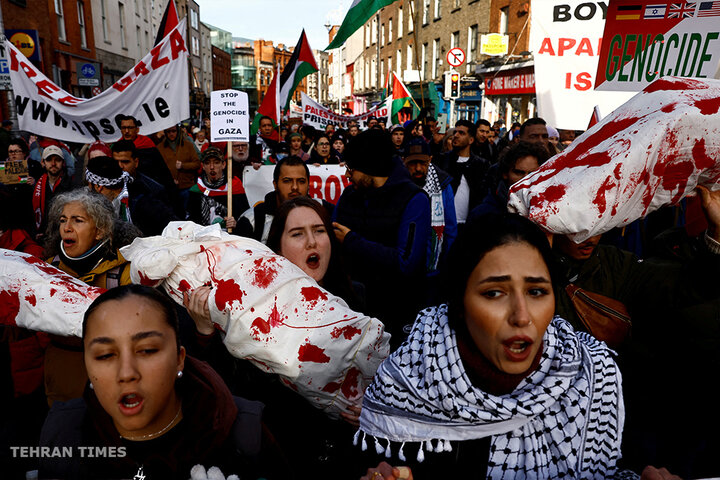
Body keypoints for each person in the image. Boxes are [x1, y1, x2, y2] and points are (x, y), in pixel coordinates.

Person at [356, 213, 628, 479]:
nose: (522, 316)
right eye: (494, 293)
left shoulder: (594, 375)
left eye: (536, 292)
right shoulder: (406, 383)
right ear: (460, 303)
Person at [39, 284, 289, 479]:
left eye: (147, 350)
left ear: (179, 359)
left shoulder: (244, 433)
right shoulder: (62, 434)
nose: (126, 373)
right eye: (105, 355)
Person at [333, 129, 431, 347]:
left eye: (352, 168)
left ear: (369, 167)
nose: (348, 175)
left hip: (396, 315)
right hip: (354, 313)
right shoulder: (349, 196)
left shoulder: (414, 200)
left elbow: (407, 263)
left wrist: (352, 241)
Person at [42, 189, 140, 406]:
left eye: (77, 221)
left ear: (100, 230)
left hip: (112, 384)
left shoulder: (126, 272)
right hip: (61, 385)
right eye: (63, 220)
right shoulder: (47, 271)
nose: (66, 228)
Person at [402, 137, 457, 304]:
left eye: (423, 163)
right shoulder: (398, 185)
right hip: (404, 268)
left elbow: (450, 229)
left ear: (430, 160)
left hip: (434, 270)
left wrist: (448, 266)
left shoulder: (443, 184)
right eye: (413, 163)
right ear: (404, 162)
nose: (418, 168)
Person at [236, 156, 314, 244]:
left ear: (308, 184)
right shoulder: (251, 220)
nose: (295, 187)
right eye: (287, 181)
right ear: (275, 184)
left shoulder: (323, 212)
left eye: (301, 181)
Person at [112, 141, 179, 235]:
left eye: (125, 162)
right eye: (116, 162)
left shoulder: (153, 189)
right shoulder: (105, 188)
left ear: (136, 162)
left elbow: (169, 225)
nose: (120, 166)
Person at [470, 141, 549, 219]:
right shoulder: (483, 214)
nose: (526, 179)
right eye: (519, 173)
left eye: (532, 174)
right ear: (505, 174)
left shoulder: (549, 213)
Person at [436, 120, 490, 227]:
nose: (456, 135)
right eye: (455, 132)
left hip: (470, 225)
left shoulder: (481, 165)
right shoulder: (443, 160)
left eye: (461, 133)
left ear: (471, 140)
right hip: (444, 223)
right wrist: (435, 143)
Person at [187, 147, 249, 231]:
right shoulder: (196, 190)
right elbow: (191, 221)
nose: (212, 167)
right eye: (207, 163)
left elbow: (246, 217)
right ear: (203, 166)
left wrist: (236, 223)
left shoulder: (234, 186)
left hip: (230, 237)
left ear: (223, 165)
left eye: (216, 163)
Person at [117, 115, 175, 191]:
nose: (127, 131)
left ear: (137, 129)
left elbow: (162, 169)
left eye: (130, 128)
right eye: (124, 128)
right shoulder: (117, 147)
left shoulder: (147, 144)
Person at [32, 145, 74, 240]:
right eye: (49, 160)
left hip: (63, 237)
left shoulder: (72, 187)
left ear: (63, 163)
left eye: (57, 160)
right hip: (40, 236)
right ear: (43, 163)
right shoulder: (36, 186)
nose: (53, 163)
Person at [156, 124, 201, 212]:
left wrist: (183, 165)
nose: (171, 134)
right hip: (169, 190)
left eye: (173, 131)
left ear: (178, 131)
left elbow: (197, 164)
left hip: (187, 187)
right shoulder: (160, 148)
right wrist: (169, 180)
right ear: (165, 133)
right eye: (168, 131)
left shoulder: (188, 145)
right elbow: (157, 170)